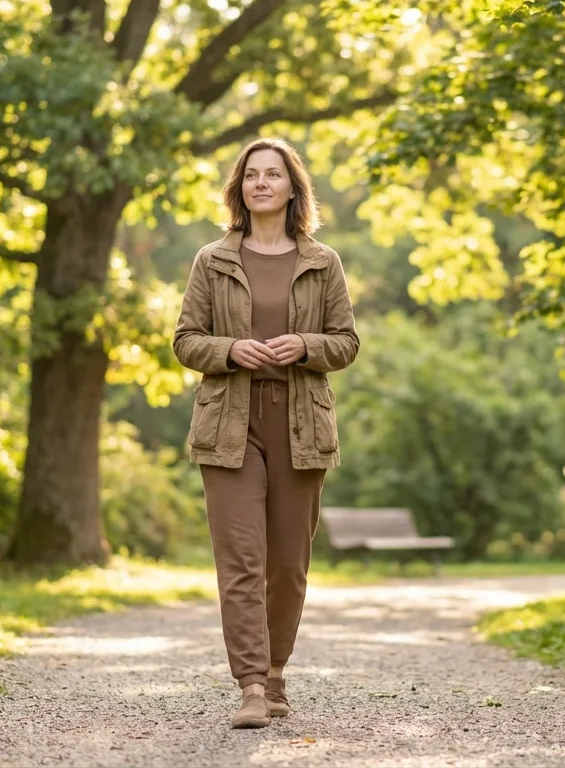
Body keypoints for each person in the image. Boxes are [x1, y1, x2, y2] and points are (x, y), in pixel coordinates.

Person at [171, 137, 358, 729]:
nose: (261, 183)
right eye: (251, 175)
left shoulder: (322, 262)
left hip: (301, 424)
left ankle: (277, 674)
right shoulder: (213, 260)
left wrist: (306, 346)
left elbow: (347, 342)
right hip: (230, 423)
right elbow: (185, 340)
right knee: (242, 560)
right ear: (240, 188)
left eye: (273, 174)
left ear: (292, 187)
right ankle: (251, 686)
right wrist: (230, 350)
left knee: (287, 564)